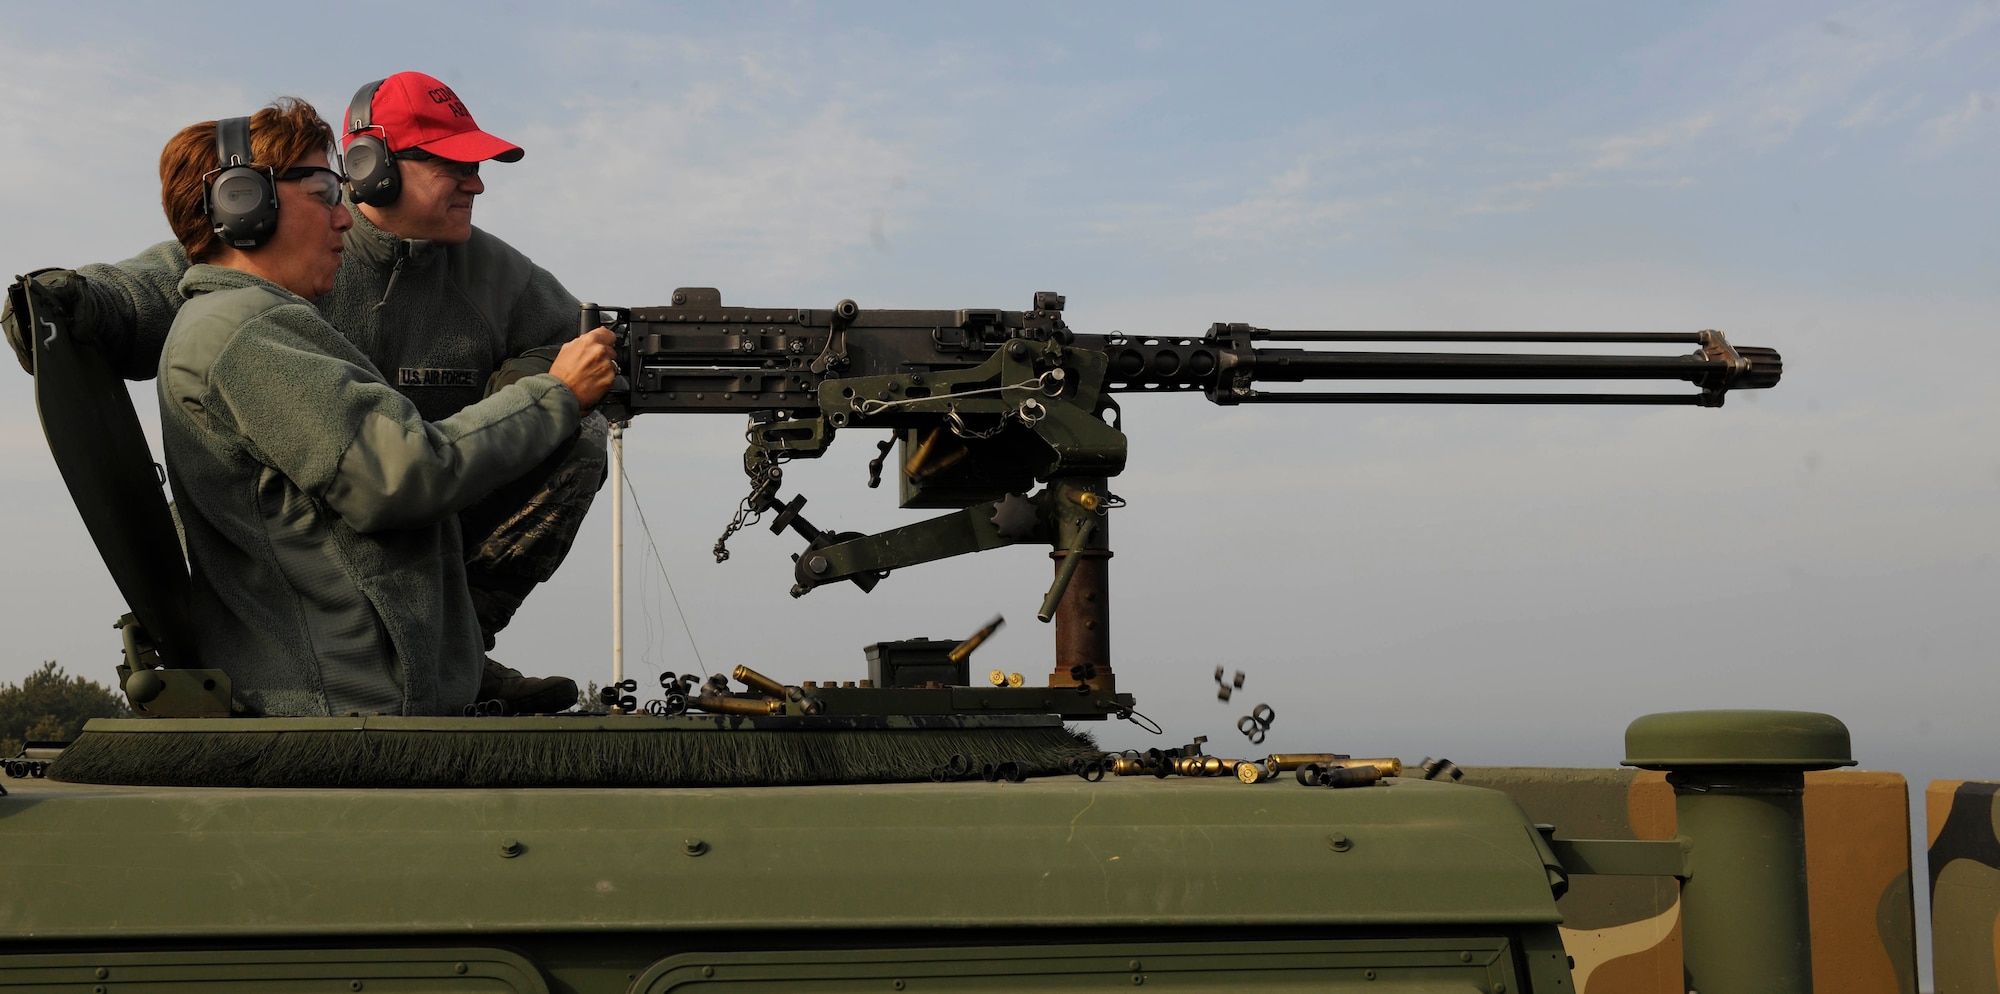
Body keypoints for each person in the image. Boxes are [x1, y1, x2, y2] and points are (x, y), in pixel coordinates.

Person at [2, 72, 599, 714]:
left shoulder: (494, 275)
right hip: (288, 563)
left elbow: (579, 343)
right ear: (374, 169)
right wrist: (68, 301)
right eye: (454, 163)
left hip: (400, 508)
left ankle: (455, 650)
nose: (476, 181)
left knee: (575, 441)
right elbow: (143, 293)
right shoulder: (246, 287)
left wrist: (525, 392)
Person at [152, 98, 615, 717]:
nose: (345, 217)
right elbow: (402, 476)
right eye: (322, 191)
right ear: (244, 203)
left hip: (352, 692)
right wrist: (555, 394)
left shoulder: (253, 321)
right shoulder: (246, 332)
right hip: (346, 705)